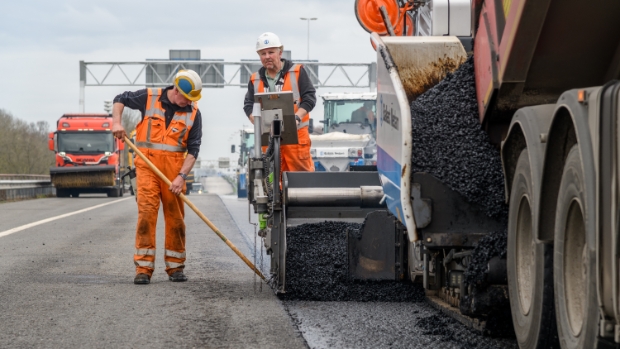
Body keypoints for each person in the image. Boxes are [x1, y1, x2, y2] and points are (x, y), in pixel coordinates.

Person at [111, 70, 203, 285]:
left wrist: (181, 177)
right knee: (147, 214)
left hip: (174, 172)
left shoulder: (193, 113)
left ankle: (175, 267)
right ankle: (143, 268)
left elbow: (193, 149)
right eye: (186, 98)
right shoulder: (149, 97)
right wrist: (116, 123)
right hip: (146, 167)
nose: (187, 103)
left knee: (176, 219)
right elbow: (119, 100)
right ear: (176, 90)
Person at [243, 32, 316, 172]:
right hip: (268, 138)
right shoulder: (255, 79)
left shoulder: (297, 72)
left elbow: (309, 98)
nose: (267, 57)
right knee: (272, 181)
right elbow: (248, 105)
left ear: (280, 52)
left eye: (271, 52)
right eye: (263, 54)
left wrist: (296, 117)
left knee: (300, 180)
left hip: (296, 137)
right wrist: (257, 121)